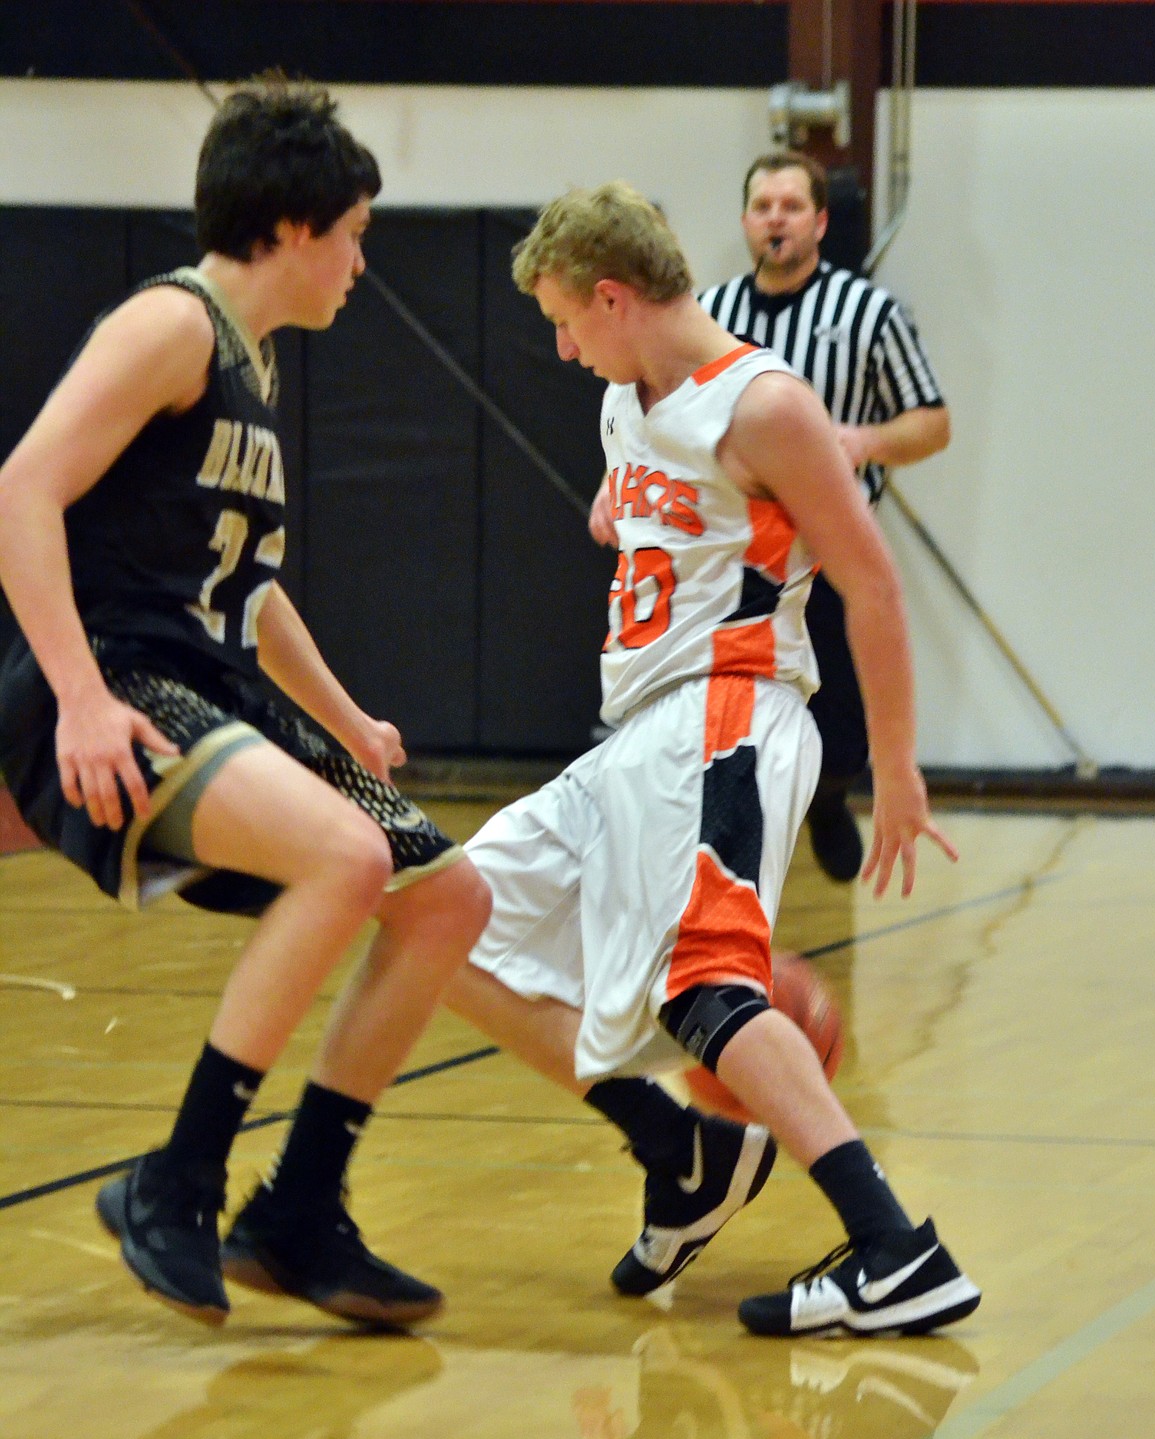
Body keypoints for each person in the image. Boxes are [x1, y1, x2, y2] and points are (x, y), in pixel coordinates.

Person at [443, 181, 980, 1337]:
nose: (559, 345)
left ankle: (897, 1250)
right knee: (444, 912)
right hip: (635, 734)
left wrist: (894, 769)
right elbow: (646, 498)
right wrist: (621, 514)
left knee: (705, 989)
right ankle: (679, 1147)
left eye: (565, 320)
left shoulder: (766, 404)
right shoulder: (626, 396)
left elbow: (871, 581)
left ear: (614, 295)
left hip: (729, 715)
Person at [0, 75, 491, 1328]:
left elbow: (253, 595)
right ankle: (179, 1179)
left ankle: (299, 1206)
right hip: (115, 677)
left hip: (209, 680)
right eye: (357, 233)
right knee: (345, 854)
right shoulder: (170, 325)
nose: (364, 262)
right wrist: (77, 701)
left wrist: (337, 715)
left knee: (447, 897)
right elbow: (21, 493)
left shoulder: (252, 362)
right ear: (288, 228)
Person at [592, 151, 951, 884]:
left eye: (792, 206)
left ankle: (828, 794)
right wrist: (616, 481)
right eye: (763, 207)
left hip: (827, 550)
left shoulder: (868, 313)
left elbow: (934, 422)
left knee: (843, 728)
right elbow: (650, 414)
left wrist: (864, 440)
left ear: (820, 221)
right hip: (729, 559)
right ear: (746, 221)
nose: (775, 220)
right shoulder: (709, 313)